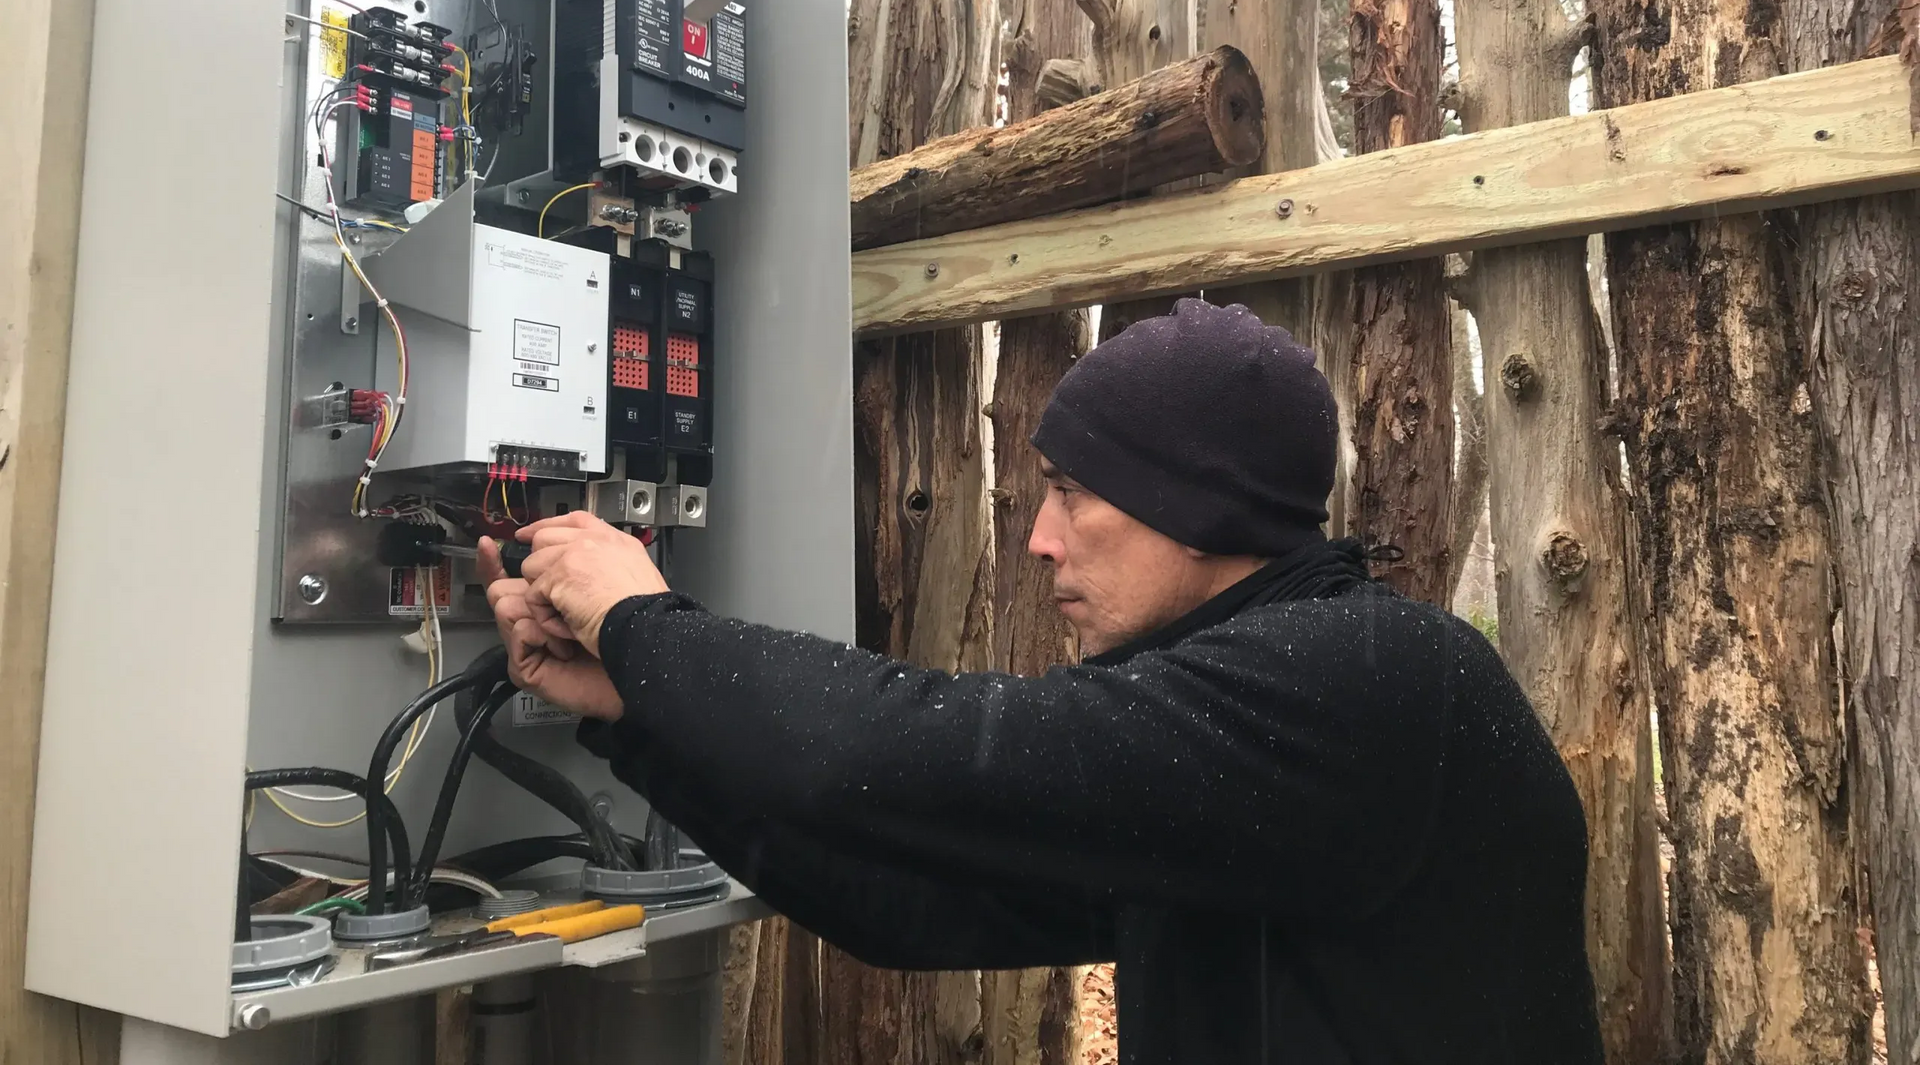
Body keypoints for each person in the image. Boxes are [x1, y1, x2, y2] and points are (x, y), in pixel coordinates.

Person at [480, 298, 1604, 1064]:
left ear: (1198, 504)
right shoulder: (1247, 738)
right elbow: (909, 907)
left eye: (1072, 492)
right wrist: (636, 717)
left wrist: (641, 617)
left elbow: (893, 752)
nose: (1039, 541)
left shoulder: (1370, 675)